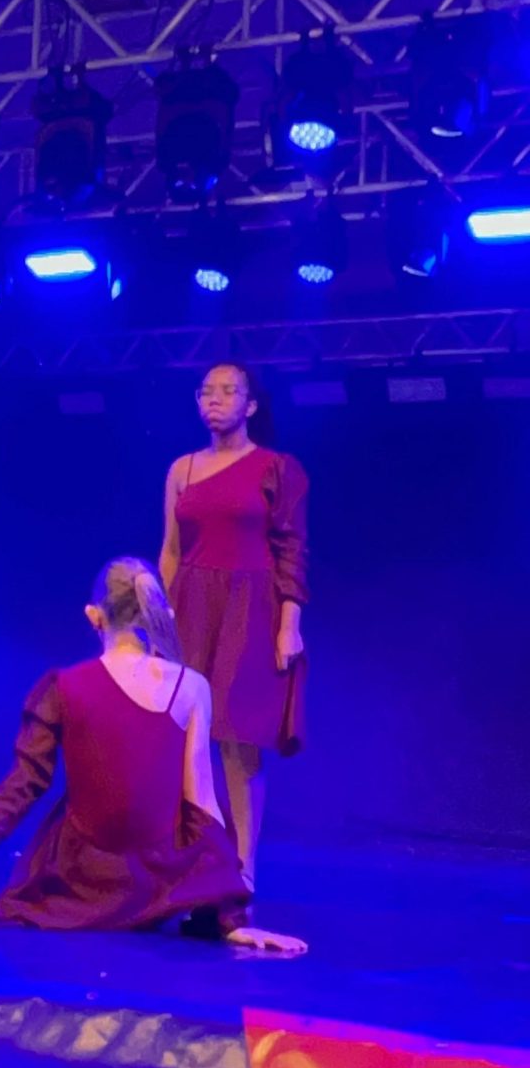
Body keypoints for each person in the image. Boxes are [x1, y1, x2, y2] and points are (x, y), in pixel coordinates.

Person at [0, 559, 304, 953]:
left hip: (76, 886)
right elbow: (203, 807)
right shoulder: (191, 686)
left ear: (94, 615)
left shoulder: (64, 687)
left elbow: (17, 793)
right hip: (158, 888)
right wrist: (231, 918)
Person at [159, 362, 308, 893]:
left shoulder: (276, 468)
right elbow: (171, 550)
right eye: (206, 392)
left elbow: (292, 550)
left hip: (249, 607)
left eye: (228, 391)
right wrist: (161, 620)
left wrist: (289, 625)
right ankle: (191, 856)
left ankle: (244, 866)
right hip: (192, 605)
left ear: (251, 405)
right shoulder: (183, 469)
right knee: (187, 735)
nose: (214, 400)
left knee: (238, 738)